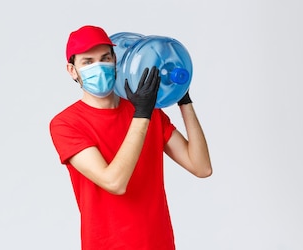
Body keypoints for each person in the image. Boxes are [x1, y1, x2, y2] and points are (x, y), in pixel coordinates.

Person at [49, 25, 212, 250]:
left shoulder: (147, 111)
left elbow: (201, 167)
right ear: (72, 70)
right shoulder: (66, 123)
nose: (100, 66)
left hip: (159, 243)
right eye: (88, 62)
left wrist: (183, 99)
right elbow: (114, 182)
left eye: (105, 58)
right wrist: (142, 113)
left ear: (116, 60)